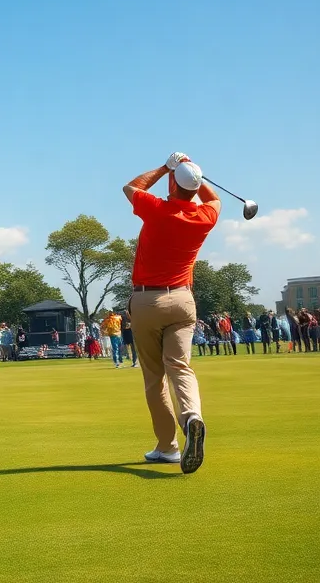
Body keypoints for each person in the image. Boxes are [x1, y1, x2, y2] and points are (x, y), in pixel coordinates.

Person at [122, 152, 219, 474]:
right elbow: (214, 198)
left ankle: (167, 447)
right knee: (180, 366)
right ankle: (192, 415)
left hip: (147, 301)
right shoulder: (206, 215)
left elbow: (131, 187)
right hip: (182, 301)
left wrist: (167, 166)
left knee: (154, 378)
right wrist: (193, 175)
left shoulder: (159, 210)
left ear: (172, 186)